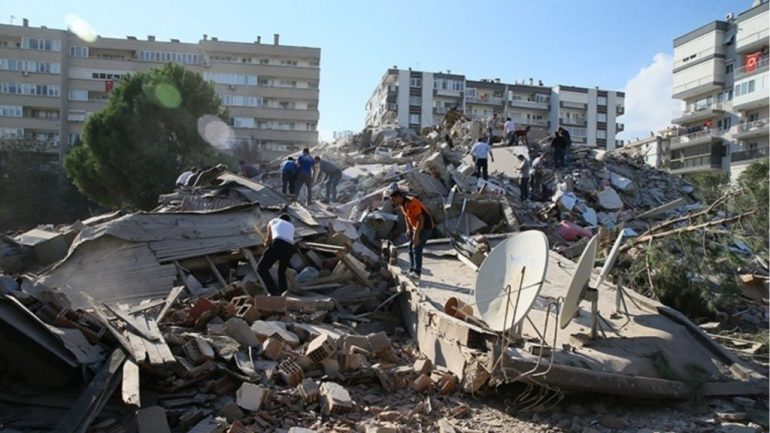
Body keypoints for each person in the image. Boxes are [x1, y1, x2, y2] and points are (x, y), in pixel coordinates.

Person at [390, 190, 434, 281]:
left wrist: (416, 235)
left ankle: (417, 273)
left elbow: (420, 219)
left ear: (399, 197)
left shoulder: (412, 203)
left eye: (394, 199)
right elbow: (407, 217)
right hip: (416, 227)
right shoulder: (403, 205)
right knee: (410, 248)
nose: (392, 202)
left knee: (417, 248)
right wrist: (408, 229)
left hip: (425, 227)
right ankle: (412, 270)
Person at [257, 213, 295, 296]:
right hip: (290, 248)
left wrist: (265, 245)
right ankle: (284, 292)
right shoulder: (291, 226)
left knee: (261, 268)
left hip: (278, 243)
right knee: (281, 271)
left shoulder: (273, 221)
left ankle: (274, 292)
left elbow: (268, 241)